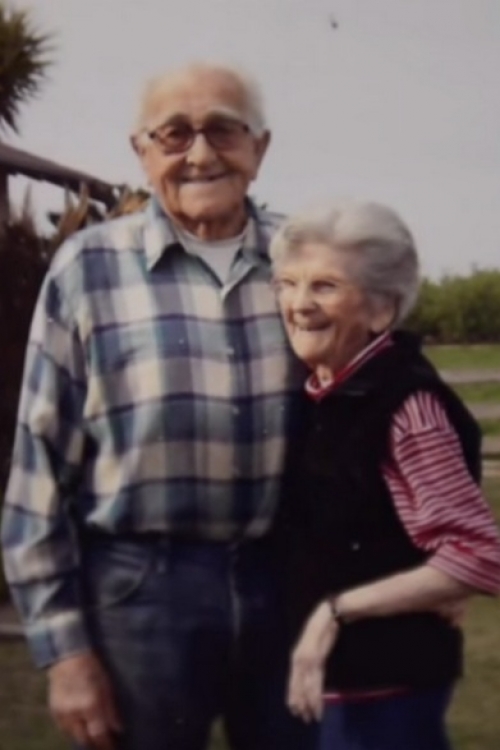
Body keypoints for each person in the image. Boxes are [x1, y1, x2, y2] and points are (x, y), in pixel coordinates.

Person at [1, 62, 306, 750]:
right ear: (141, 151)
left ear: (259, 147)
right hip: (141, 595)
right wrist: (65, 653)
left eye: (223, 130)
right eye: (174, 134)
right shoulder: (87, 269)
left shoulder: (308, 261)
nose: (200, 154)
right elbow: (38, 476)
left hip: (288, 581)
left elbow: (375, 413)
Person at [269, 200, 500, 750]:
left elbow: (478, 555)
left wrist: (335, 613)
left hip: (382, 695)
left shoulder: (406, 405)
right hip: (337, 688)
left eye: (325, 286)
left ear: (381, 309)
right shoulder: (323, 390)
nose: (299, 304)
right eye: (288, 284)